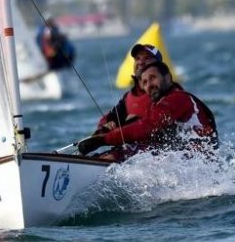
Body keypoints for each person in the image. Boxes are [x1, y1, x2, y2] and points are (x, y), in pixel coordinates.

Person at [77, 61, 218, 161]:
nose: (149, 85)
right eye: (144, 82)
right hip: (184, 162)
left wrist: (103, 140)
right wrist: (106, 133)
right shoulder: (157, 105)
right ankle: (98, 161)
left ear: (168, 77)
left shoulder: (179, 99)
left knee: (131, 148)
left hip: (200, 164)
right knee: (132, 146)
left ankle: (99, 163)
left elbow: (147, 127)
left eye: (153, 78)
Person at [92, 43, 162, 136]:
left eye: (147, 58)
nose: (141, 62)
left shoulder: (167, 93)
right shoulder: (128, 97)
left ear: (159, 65)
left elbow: (155, 123)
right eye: (137, 58)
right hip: (130, 143)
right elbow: (108, 118)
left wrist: (131, 123)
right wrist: (106, 126)